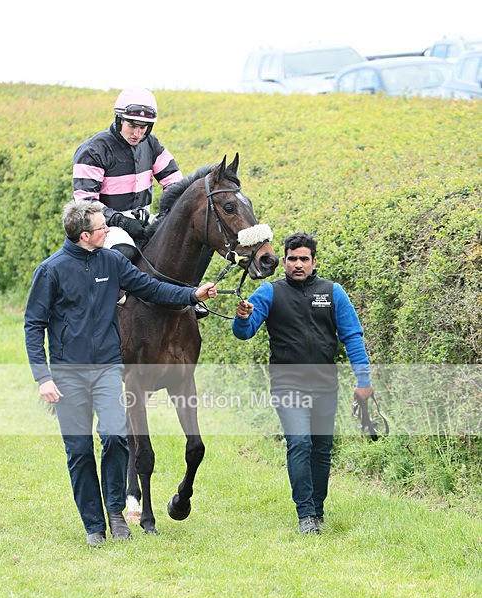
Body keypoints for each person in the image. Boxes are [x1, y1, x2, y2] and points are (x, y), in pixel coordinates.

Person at [24, 200, 217, 547]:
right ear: (85, 235)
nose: (109, 231)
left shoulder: (112, 262)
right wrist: (43, 376)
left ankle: (116, 512)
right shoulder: (50, 271)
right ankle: (93, 525)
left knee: (114, 437)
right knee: (79, 450)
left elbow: (153, 289)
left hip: (108, 369)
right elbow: (33, 324)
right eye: (102, 227)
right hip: (68, 374)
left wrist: (191, 293)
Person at [232, 232, 374, 535]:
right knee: (299, 442)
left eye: (304, 259)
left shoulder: (333, 292)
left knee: (321, 448)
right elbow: (244, 332)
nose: (298, 264)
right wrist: (243, 317)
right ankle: (306, 514)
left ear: (314, 262)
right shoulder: (269, 293)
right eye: (292, 259)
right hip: (287, 383)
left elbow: (352, 336)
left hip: (325, 383)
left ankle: (318, 509)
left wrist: (364, 380)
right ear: (284, 261)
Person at [73, 87, 210, 316]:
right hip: (105, 224)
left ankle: (189, 296)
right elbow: (85, 203)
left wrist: (170, 216)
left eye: (143, 127)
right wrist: (122, 222)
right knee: (124, 250)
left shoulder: (151, 144)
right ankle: (110, 307)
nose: (137, 133)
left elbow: (175, 184)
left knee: (197, 242)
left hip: (145, 219)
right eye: (132, 126)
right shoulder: (93, 150)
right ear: (119, 119)